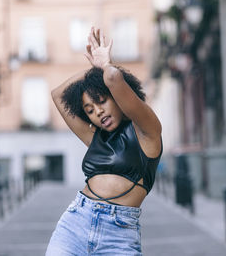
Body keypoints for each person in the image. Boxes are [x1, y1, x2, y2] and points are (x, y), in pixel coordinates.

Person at [46, 27, 162, 255]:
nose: (97, 112)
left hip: (119, 234)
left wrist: (105, 66)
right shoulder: (95, 137)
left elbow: (113, 78)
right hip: (75, 223)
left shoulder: (148, 132)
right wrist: (92, 72)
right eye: (89, 110)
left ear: (116, 97)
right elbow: (58, 95)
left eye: (101, 101)